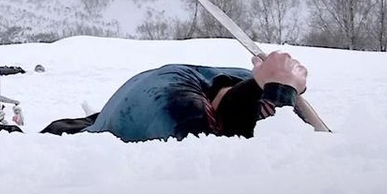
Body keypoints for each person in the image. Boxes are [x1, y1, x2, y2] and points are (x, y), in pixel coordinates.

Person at [41, 51, 309, 141]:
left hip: (117, 112)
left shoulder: (235, 79)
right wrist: (281, 87)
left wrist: (278, 81)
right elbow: (214, 150)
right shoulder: (176, 110)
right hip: (149, 106)